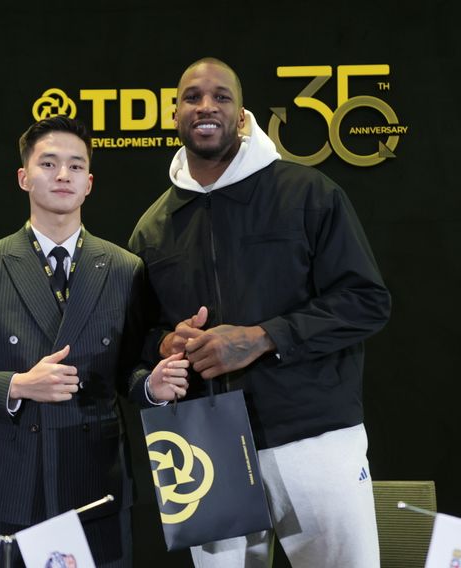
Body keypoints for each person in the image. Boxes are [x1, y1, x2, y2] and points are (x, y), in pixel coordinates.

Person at [128, 58, 391, 568]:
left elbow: (366, 300)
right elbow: (137, 337)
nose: (206, 106)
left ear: (243, 114)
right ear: (174, 114)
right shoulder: (152, 227)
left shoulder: (307, 193)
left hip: (314, 434)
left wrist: (263, 337)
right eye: (192, 97)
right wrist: (164, 343)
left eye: (221, 96)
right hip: (203, 444)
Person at [0, 116, 189, 567]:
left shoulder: (123, 268)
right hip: (12, 486)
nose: (63, 175)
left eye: (75, 165)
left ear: (89, 183)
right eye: (48, 164)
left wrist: (152, 385)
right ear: (24, 177)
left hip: (96, 482)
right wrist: (17, 385)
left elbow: (126, 369)